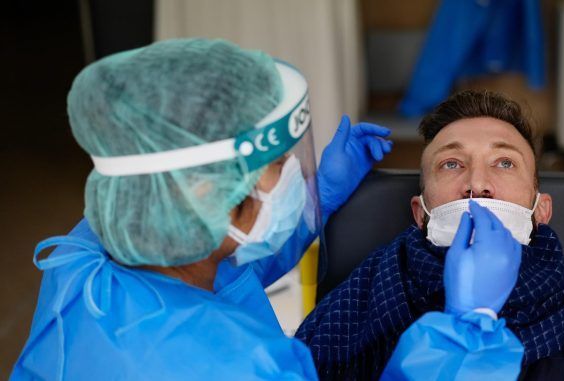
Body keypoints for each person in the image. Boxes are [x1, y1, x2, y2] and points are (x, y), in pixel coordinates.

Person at [13, 39, 528, 380]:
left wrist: (318, 197)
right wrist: (469, 328)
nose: (477, 185)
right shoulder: (247, 367)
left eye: (504, 163)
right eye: (284, 164)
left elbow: (219, 263)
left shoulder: (87, 258)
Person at [296, 90, 564, 381]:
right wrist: (313, 203)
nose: (477, 185)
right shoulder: (349, 317)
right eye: (452, 164)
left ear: (541, 210)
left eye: (504, 163)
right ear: (419, 213)